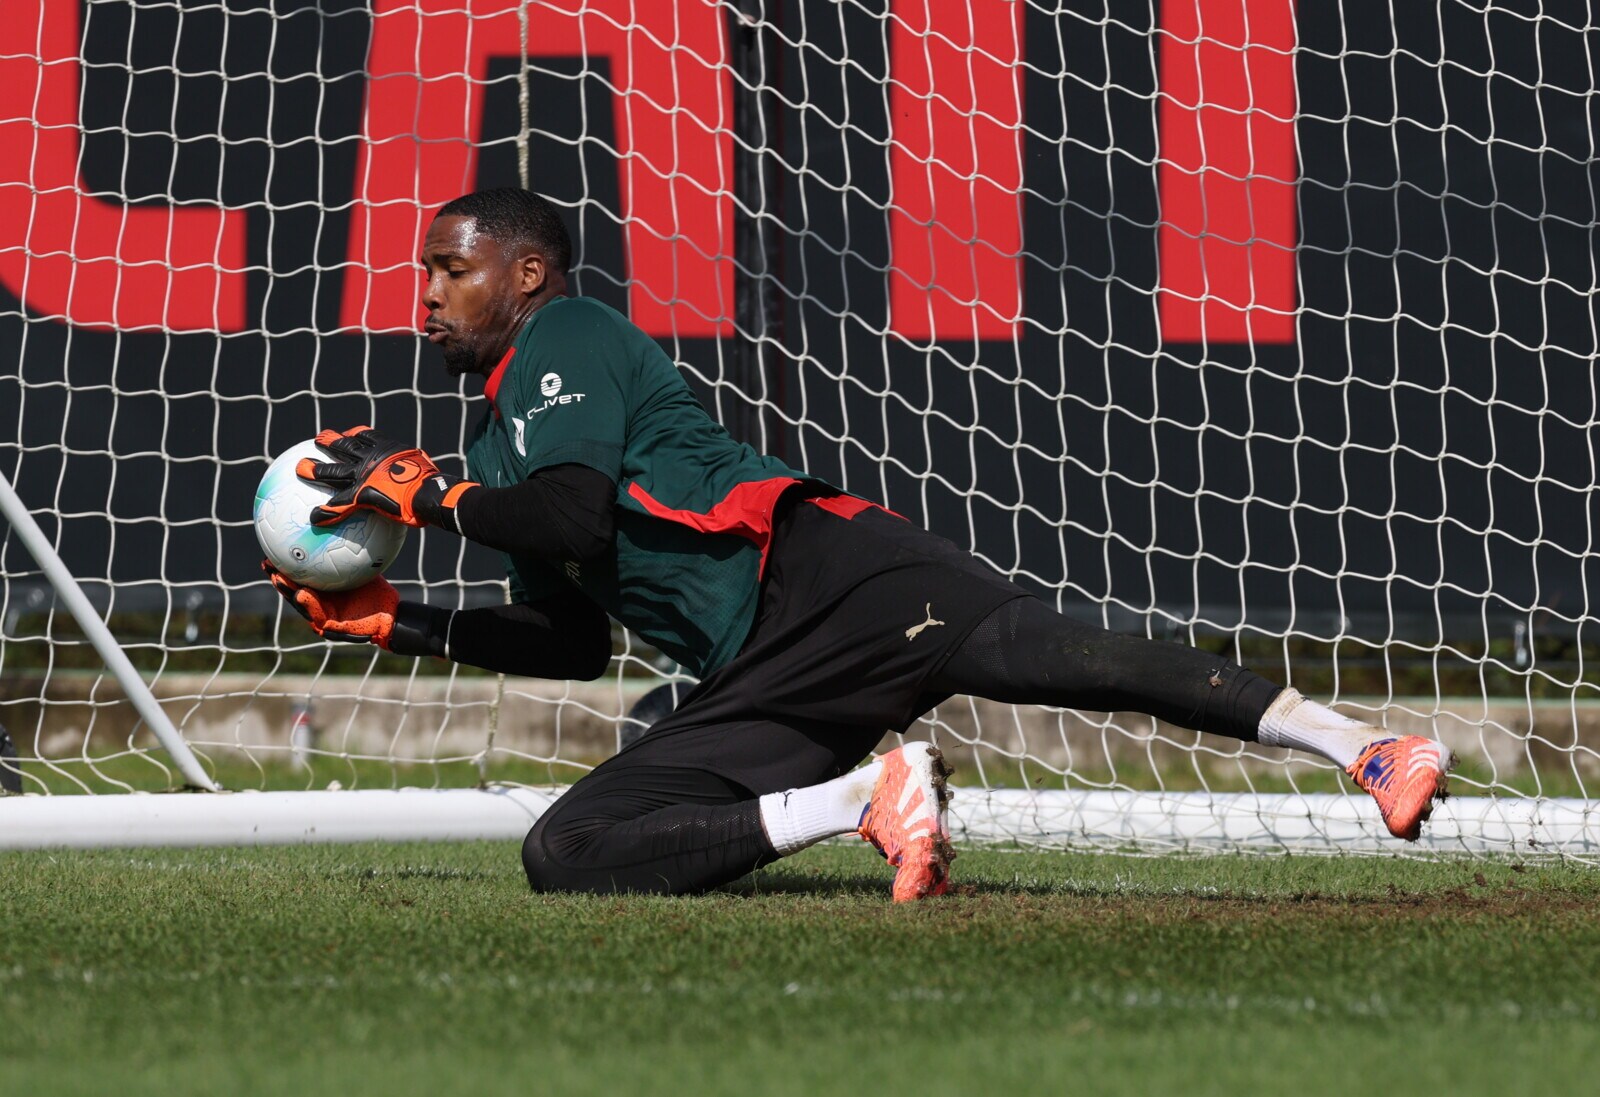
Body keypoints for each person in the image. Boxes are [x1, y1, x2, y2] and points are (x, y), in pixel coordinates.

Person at [265, 188, 1456, 900]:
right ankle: (862, 795)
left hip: (830, 571)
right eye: (426, 271)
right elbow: (573, 639)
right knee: (565, 849)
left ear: (524, 273)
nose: (427, 293)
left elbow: (573, 513)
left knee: (1062, 659)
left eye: (451, 267)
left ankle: (1361, 743)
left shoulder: (565, 333)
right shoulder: (496, 445)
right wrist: (400, 620)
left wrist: (433, 500)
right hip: (760, 669)